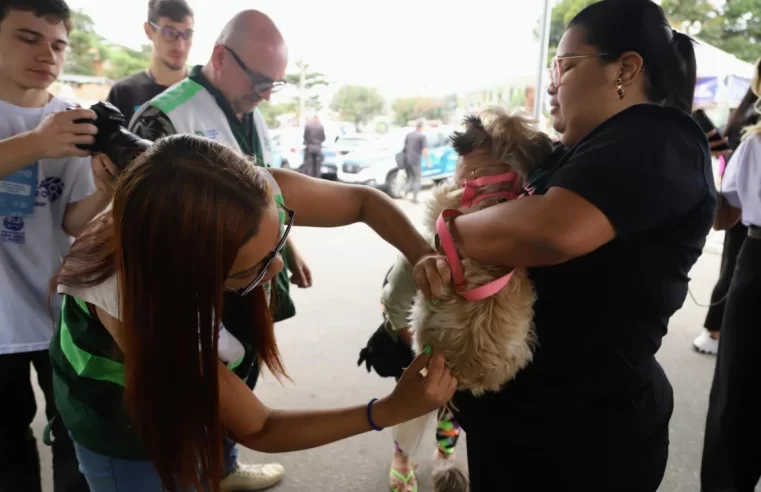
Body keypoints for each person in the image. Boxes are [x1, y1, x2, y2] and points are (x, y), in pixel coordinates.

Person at [413, 1, 715, 490]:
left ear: (626, 68)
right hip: (526, 429)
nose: (552, 84)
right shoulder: (579, 152)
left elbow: (550, 231)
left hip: (583, 446)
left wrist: (450, 232)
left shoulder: (661, 140)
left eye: (564, 65)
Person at [49, 134, 457, 492]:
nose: (277, 268)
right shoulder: (131, 303)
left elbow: (362, 201)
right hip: (122, 427)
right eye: (253, 267)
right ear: (188, 272)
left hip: (186, 382)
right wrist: (389, 409)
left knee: (202, 456)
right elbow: (259, 425)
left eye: (278, 240)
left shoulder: (239, 192)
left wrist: (423, 255)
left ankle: (219, 470)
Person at [129, 11, 310, 487]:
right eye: (260, 81)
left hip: (247, 278)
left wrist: (288, 250)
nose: (267, 93)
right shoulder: (163, 118)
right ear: (219, 57)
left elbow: (271, 196)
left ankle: (223, 466)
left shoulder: (251, 114)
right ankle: (196, 466)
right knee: (201, 389)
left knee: (241, 373)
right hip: (198, 292)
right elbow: (141, 232)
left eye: (276, 84)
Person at [0, 1, 119, 491]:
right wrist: (36, 144)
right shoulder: (52, 131)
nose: (46, 54)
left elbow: (69, 219)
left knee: (77, 437)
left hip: (56, 310)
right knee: (7, 451)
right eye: (28, 38)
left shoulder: (71, 118)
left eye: (57, 44)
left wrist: (107, 193)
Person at [700, 62, 761, 491]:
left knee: (735, 399)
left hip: (756, 263)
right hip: (755, 262)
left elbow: (725, 213)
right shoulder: (753, 144)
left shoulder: (754, 144)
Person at [693, 64, 760, 355]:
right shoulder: (750, 136)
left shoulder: (753, 139)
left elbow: (725, 210)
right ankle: (713, 329)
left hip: (751, 240)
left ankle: (714, 329)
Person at [106, 0, 194, 125]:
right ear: (149, 31)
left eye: (187, 34)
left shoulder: (203, 92)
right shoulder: (123, 92)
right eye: (169, 33)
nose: (180, 46)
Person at [402, 120, 431, 204]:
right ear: (421, 126)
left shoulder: (409, 135)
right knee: (417, 179)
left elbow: (405, 147)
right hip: (416, 161)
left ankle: (405, 192)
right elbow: (425, 149)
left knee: (411, 178)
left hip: (407, 160)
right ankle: (414, 198)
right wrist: (428, 161)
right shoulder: (422, 136)